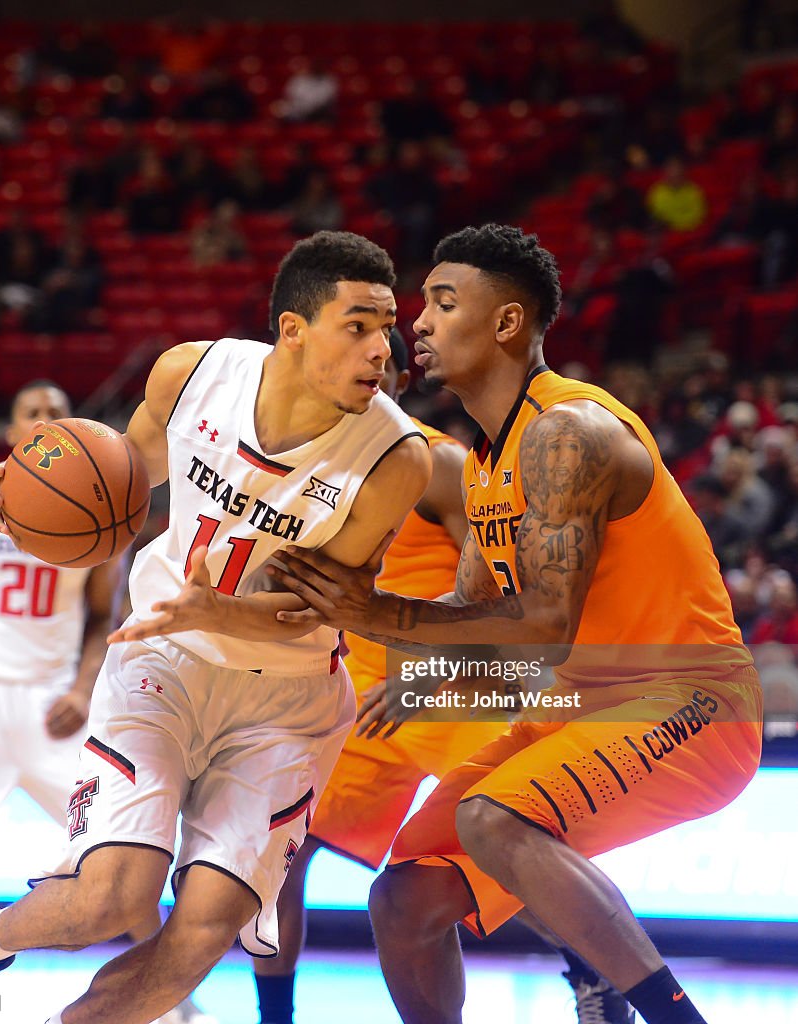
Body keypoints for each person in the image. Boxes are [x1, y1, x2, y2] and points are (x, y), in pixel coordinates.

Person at [0, 231, 431, 1024]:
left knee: (200, 933)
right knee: (108, 902)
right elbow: (118, 483)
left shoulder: (396, 456)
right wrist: (26, 504)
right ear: (293, 328)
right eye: (357, 324)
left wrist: (215, 610)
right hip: (162, 664)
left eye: (387, 327)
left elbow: (325, 602)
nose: (381, 348)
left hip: (287, 701)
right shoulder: (193, 374)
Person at [268, 224, 762, 1024]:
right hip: (571, 709)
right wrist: (413, 671)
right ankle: (595, 976)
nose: (415, 324)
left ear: (506, 324)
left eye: (441, 303)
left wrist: (373, 611)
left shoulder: (568, 434)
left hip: (688, 701)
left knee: (491, 817)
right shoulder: (490, 459)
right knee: (403, 899)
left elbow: (543, 627)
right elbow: (469, 619)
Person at [0, 381, 208, 1024]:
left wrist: (83, 687)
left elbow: (102, 614)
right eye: (31, 412)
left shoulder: (102, 499)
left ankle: (173, 1001)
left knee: (121, 850)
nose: (44, 418)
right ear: (14, 428)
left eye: (55, 411)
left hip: (54, 704)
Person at [252, 330, 503, 1024]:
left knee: (512, 844)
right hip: (360, 701)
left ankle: (592, 974)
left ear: (395, 379)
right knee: (278, 859)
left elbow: (509, 599)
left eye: (376, 365)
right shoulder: (297, 476)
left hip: (454, 686)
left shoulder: (443, 464)